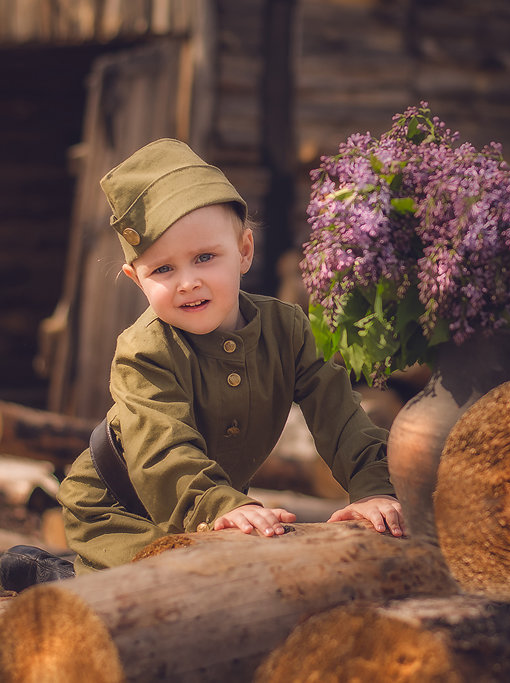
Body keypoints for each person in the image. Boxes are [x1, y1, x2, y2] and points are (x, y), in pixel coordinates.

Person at [59, 138, 404, 573]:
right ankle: (47, 575)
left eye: (205, 257)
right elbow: (162, 451)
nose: (187, 282)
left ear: (244, 251)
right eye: (163, 269)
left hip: (204, 508)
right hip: (116, 507)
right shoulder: (144, 350)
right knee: (173, 587)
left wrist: (374, 487)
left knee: (233, 574)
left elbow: (340, 415)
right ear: (136, 279)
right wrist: (219, 505)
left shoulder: (288, 329)